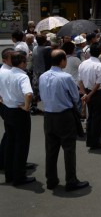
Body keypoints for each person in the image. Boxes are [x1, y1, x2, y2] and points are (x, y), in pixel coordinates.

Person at [39, 49, 89, 191]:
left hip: (48, 115)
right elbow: (74, 97)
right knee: (68, 149)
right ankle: (71, 180)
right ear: (62, 61)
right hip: (64, 115)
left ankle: (51, 179)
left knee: (51, 149)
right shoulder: (65, 77)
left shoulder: (43, 76)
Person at [3, 51, 35, 186]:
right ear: (21, 63)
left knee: (10, 144)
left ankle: (9, 174)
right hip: (19, 112)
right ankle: (19, 177)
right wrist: (27, 107)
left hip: (8, 110)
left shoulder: (5, 73)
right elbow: (28, 93)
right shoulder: (22, 76)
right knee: (21, 145)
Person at [78, 43, 101, 150]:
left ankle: (90, 140)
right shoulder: (100, 65)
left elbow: (80, 80)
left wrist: (85, 94)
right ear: (100, 53)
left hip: (87, 91)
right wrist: (89, 94)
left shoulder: (83, 64)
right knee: (97, 118)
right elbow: (99, 83)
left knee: (90, 117)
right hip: (97, 93)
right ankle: (95, 142)